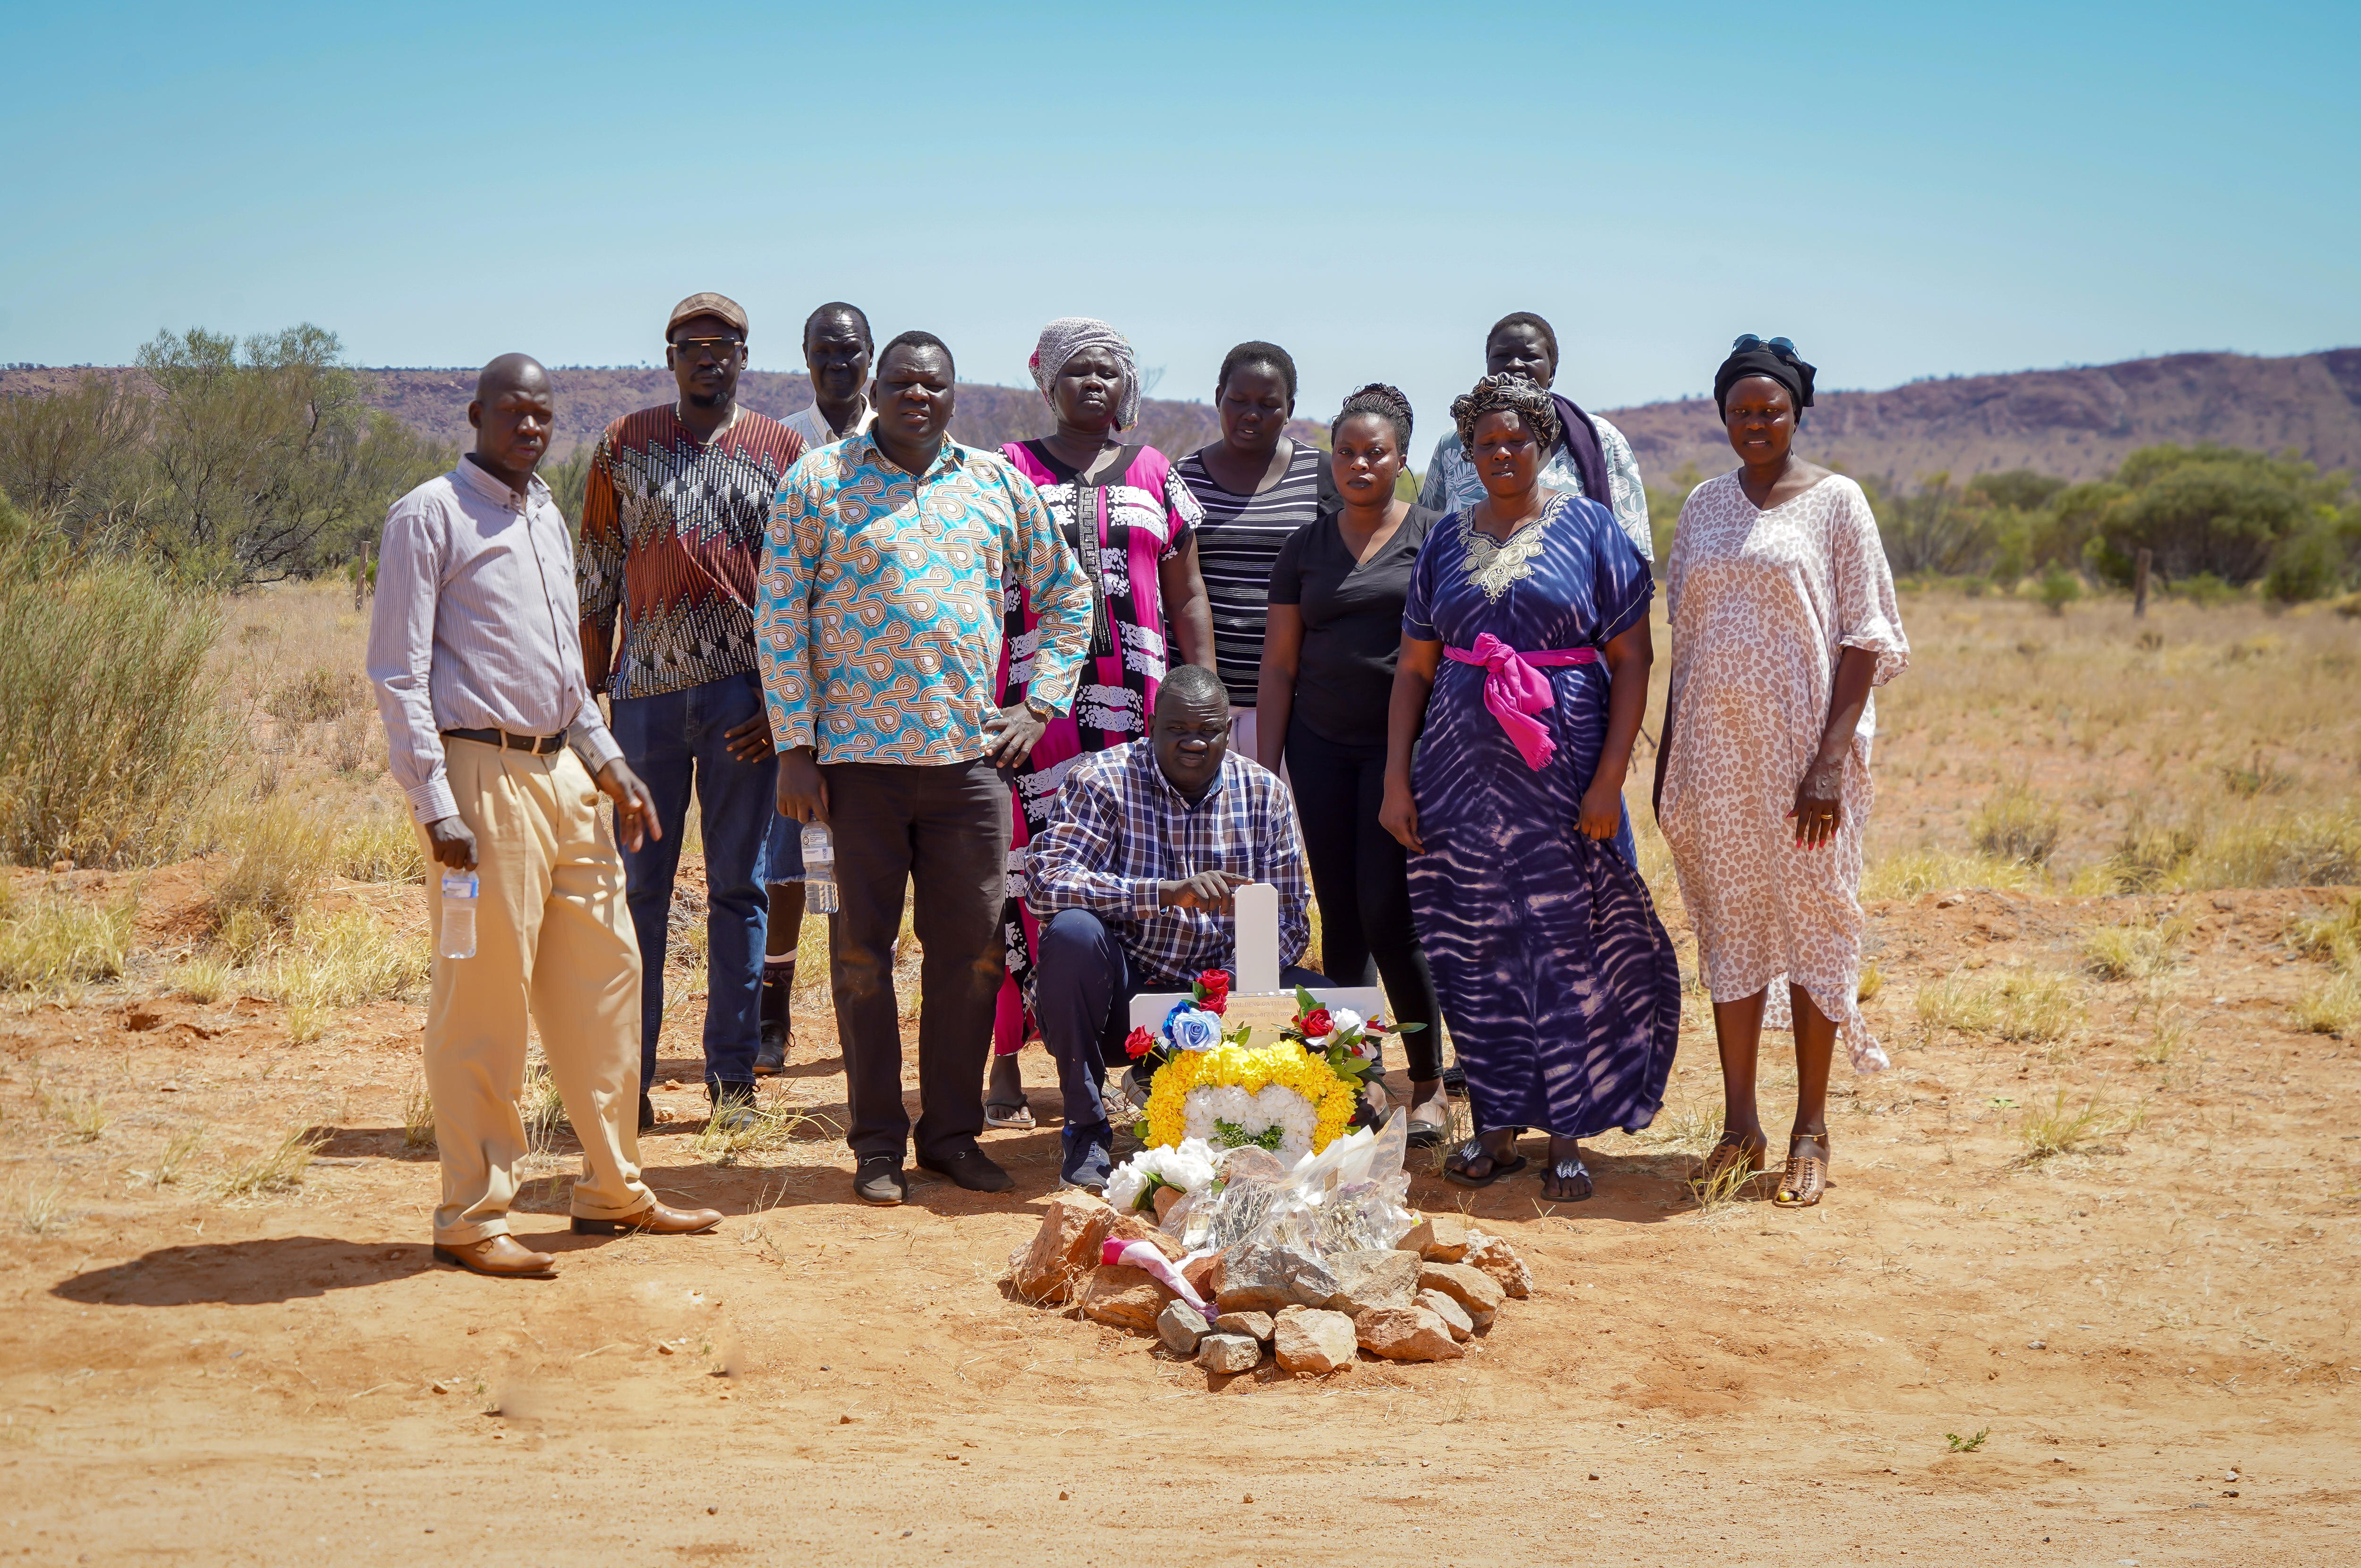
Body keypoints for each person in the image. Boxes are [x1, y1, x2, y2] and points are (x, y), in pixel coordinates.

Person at [368, 353, 722, 1279]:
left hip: (564, 776)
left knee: (606, 978)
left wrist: (609, 765)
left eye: (544, 414)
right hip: (478, 777)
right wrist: (435, 803)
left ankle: (612, 1186)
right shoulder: (429, 515)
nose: (531, 427)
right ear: (477, 414)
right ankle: (472, 1214)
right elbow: (398, 674)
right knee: (481, 1001)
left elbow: (566, 675)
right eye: (514, 412)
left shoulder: (542, 513)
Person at [756, 330, 1093, 1205]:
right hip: (852, 770)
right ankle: (875, 1145)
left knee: (973, 954)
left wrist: (1040, 704)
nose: (917, 395)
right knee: (861, 953)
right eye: (901, 381)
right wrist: (794, 747)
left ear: (952, 395)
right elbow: (781, 616)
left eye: (933, 385)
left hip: (966, 768)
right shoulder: (819, 483)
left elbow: (1067, 593)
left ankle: (949, 1135)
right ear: (876, 387)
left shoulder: (994, 485)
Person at [1380, 374, 1681, 1202]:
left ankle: (1569, 1135)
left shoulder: (1591, 529)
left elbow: (1632, 660)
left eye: (1516, 440)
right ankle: (1497, 1128)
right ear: (1467, 454)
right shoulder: (1444, 541)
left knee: (1564, 944)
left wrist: (1610, 778)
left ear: (1543, 445)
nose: (1501, 454)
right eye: (1485, 444)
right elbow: (1414, 668)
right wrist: (1397, 778)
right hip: (1455, 777)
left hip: (1564, 773)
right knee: (1476, 948)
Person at [1653, 336, 1910, 1209]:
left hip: (1806, 761)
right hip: (1715, 758)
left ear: (1798, 413)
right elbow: (1684, 639)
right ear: (1723, 416)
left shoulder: (1838, 503)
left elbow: (1866, 637)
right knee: (1730, 928)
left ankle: (1810, 1128)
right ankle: (1739, 1125)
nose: (1755, 423)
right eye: (1740, 411)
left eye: (1771, 410)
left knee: (1814, 925)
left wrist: (1829, 763)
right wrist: (1670, 758)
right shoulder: (1701, 505)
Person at [578, 292, 807, 1129]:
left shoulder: (783, 451)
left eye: (727, 344)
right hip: (641, 700)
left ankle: (733, 1083)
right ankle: (623, 1081)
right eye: (693, 344)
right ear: (670, 355)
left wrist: (789, 712)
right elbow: (597, 572)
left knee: (739, 889)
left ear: (746, 356)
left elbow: (805, 587)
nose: (710, 356)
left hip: (746, 700)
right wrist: (590, 708)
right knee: (638, 887)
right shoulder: (622, 445)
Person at [985, 316, 1216, 1130]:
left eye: (1108, 373)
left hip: (1142, 711)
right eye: (1077, 372)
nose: (1094, 385)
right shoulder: (1007, 470)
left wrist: (1203, 689)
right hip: (1035, 712)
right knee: (1029, 870)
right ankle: (1009, 1052)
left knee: (1146, 873)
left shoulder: (1156, 472)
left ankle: (1146, 1054)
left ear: (1128, 389)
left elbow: (1187, 592)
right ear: (1048, 385)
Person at [1024, 665, 1321, 1189]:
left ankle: (1284, 1119)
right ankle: (1087, 1128)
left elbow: (1291, 922)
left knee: (1329, 1008)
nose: (1192, 742)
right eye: (1177, 729)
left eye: (1206, 730)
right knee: (1071, 934)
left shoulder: (1264, 794)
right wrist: (1162, 893)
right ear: (1151, 722)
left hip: (1223, 1001)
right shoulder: (1101, 779)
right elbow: (1046, 885)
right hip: (1122, 1002)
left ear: (1227, 731)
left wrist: (1218, 995)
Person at [1255, 383, 1448, 1146]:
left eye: (1376, 452)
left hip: (1404, 752)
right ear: (1330, 460)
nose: (1359, 463)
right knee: (1339, 916)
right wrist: (1266, 771)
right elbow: (1278, 667)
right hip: (1320, 747)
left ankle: (1429, 1084)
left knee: (1388, 913)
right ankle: (1355, 1074)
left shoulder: (1436, 537)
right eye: (1345, 451)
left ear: (1402, 459)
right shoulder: (1305, 548)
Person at [757, 301, 878, 1068]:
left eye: (851, 349)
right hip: (798, 684)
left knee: (858, 861)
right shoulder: (780, 443)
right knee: (788, 859)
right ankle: (772, 1012)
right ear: (805, 356)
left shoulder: (896, 437)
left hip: (876, 688)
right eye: (824, 350)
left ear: (870, 354)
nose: (838, 362)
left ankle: (852, 1013)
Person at [1176, 340, 1333, 762]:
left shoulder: (1323, 474)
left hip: (1299, 704)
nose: (1251, 414)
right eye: (1239, 400)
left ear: (1290, 409)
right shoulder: (1181, 480)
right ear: (1217, 398)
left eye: (1268, 404)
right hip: (1205, 706)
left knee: (1292, 827)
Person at [1419, 312, 1654, 563]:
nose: (1515, 365)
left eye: (1530, 357)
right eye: (1502, 356)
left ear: (1552, 372)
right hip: (1464, 594)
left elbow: (1633, 551)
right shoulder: (1453, 445)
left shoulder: (1601, 439)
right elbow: (1425, 537)